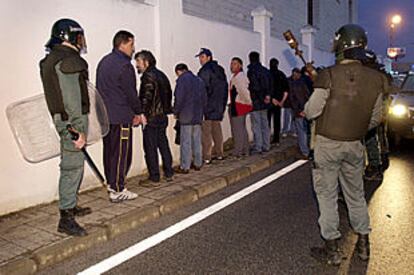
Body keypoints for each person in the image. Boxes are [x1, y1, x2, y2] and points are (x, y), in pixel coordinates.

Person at [304, 24, 386, 266]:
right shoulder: (377, 79)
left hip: (328, 144)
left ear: (340, 45)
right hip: (354, 145)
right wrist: (356, 129)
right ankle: (363, 243)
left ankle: (332, 249)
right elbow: (376, 117)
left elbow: (311, 111)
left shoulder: (328, 75)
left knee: (328, 196)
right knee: (356, 195)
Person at [40, 18, 91, 236]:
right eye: (78, 36)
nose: (81, 41)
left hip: (66, 121)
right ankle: (66, 219)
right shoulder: (68, 60)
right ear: (68, 36)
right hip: (72, 122)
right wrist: (74, 130)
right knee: (72, 168)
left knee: (72, 164)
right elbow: (70, 100)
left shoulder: (53, 58)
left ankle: (70, 204)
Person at [96, 30, 144, 203]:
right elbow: (130, 93)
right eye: (131, 45)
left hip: (105, 117)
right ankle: (118, 189)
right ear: (122, 44)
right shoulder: (124, 65)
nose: (133, 49)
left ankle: (111, 183)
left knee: (109, 151)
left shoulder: (104, 62)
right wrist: (138, 112)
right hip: (121, 116)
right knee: (122, 153)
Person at [135, 50, 174, 184]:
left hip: (151, 118)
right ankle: (169, 172)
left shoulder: (148, 76)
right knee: (163, 145)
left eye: (138, 62)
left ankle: (154, 176)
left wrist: (141, 113)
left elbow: (146, 98)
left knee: (150, 148)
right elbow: (169, 95)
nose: (137, 65)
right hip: (162, 116)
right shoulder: (162, 75)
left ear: (146, 62)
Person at [196, 48, 228, 164]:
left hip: (207, 106)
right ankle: (220, 153)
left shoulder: (204, 71)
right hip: (218, 106)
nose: (200, 59)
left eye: (202, 57)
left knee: (206, 133)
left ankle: (207, 156)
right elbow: (224, 89)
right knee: (217, 130)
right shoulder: (220, 70)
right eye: (200, 57)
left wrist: (200, 105)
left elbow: (202, 89)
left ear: (209, 57)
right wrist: (223, 105)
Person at [173, 63, 207, 173]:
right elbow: (204, 99)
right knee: (197, 140)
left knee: (186, 141)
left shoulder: (182, 80)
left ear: (179, 71)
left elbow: (179, 98)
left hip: (186, 115)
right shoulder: (199, 80)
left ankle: (185, 166)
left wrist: (176, 111)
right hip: (197, 115)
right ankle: (198, 163)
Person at [247, 51, 272, 154]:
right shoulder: (265, 71)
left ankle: (258, 146)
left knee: (256, 125)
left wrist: (258, 97)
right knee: (265, 124)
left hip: (256, 101)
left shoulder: (251, 71)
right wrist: (267, 95)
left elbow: (255, 86)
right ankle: (266, 145)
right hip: (265, 101)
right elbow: (270, 84)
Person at [228, 57, 252, 159]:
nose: (232, 66)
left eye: (235, 64)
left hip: (238, 106)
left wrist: (246, 102)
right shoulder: (236, 76)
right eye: (231, 63)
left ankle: (239, 151)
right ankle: (245, 149)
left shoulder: (239, 77)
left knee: (238, 129)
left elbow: (244, 92)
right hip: (238, 105)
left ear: (240, 65)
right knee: (241, 128)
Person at [289, 68, 310, 158]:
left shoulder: (294, 85)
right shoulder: (304, 83)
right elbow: (307, 96)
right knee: (305, 130)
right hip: (305, 109)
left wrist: (299, 110)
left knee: (301, 131)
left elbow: (294, 100)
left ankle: (304, 151)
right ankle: (306, 149)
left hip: (299, 111)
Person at [268, 58, 289, 146]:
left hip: (269, 101)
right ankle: (276, 139)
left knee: (267, 120)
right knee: (277, 121)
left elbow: (267, 88)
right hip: (279, 102)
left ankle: (267, 138)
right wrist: (282, 101)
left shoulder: (268, 74)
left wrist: (272, 98)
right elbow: (286, 90)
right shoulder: (282, 75)